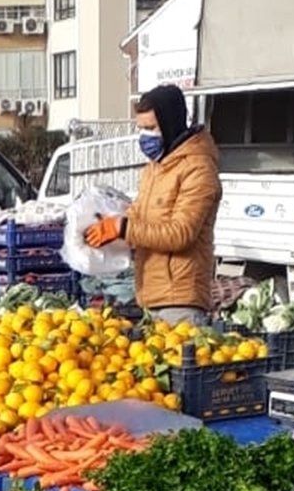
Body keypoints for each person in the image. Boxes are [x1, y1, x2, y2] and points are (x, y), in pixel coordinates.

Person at [85, 84, 222, 327]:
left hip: (180, 302)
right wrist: (105, 224)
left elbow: (181, 234)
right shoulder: (154, 170)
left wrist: (123, 227)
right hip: (150, 297)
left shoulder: (198, 169)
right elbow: (137, 217)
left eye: (150, 128)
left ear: (170, 125)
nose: (144, 137)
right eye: (141, 129)